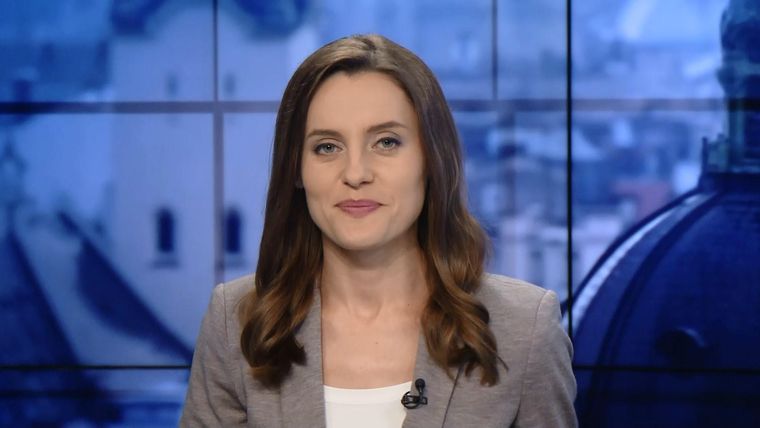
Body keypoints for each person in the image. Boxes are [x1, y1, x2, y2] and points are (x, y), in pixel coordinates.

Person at [180, 34, 576, 427]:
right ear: (297, 170)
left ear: (431, 160)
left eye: (386, 142)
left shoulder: (524, 330)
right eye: (327, 147)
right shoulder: (236, 324)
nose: (355, 174)